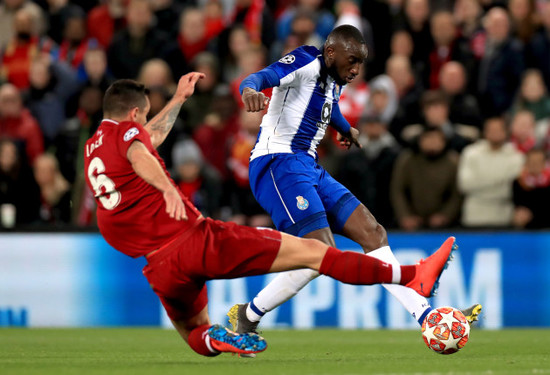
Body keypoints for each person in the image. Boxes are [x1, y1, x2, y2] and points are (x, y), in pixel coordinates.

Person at [84, 74, 456, 357]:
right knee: (316, 253)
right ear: (133, 113)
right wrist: (166, 188)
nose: (143, 123)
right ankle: (412, 276)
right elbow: (141, 151)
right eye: (143, 114)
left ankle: (220, 337)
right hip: (200, 241)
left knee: (194, 333)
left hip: (160, 267)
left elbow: (146, 139)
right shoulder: (130, 138)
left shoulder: (95, 148)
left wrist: (179, 99)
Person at [228, 25, 481, 337]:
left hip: (307, 165)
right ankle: (249, 314)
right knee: (320, 252)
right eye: (352, 61)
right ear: (331, 52)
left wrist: (345, 128)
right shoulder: (307, 60)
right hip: (277, 164)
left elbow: (326, 107)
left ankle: (427, 318)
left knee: (372, 232)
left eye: (361, 63)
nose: (356, 69)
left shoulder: (334, 81)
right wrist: (249, 91)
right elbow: (259, 78)